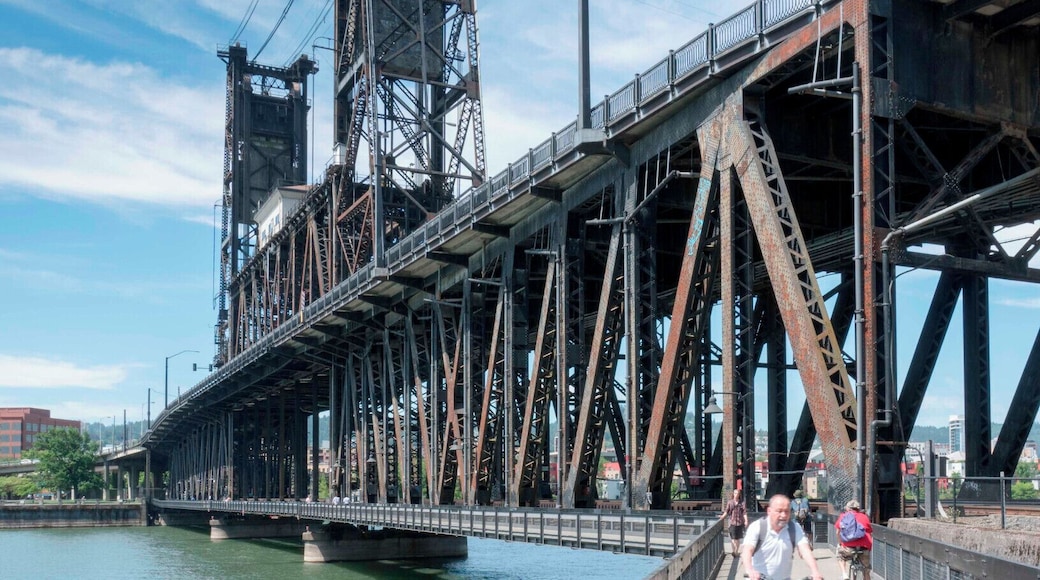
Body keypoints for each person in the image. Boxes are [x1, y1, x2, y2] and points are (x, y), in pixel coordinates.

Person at [741, 494, 824, 580]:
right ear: (769, 511)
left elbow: (805, 550)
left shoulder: (794, 528)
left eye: (786, 511)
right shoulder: (758, 527)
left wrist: (815, 571)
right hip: (759, 578)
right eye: (779, 511)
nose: (783, 515)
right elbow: (747, 550)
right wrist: (750, 570)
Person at [835, 499, 873, 580]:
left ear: (847, 508)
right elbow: (870, 531)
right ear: (858, 509)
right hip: (864, 547)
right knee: (866, 570)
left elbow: (837, 532)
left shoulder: (843, 516)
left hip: (848, 548)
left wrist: (840, 544)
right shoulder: (864, 517)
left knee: (840, 556)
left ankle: (844, 574)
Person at [719, 488, 748, 557]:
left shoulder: (742, 503)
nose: (736, 495)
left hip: (739, 522)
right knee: (732, 538)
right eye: (735, 493)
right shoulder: (730, 502)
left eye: (737, 493)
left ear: (739, 495)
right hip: (732, 522)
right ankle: (733, 551)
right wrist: (722, 516)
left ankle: (736, 551)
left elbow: (744, 513)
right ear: (733, 494)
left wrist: (746, 521)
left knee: (737, 539)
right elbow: (727, 511)